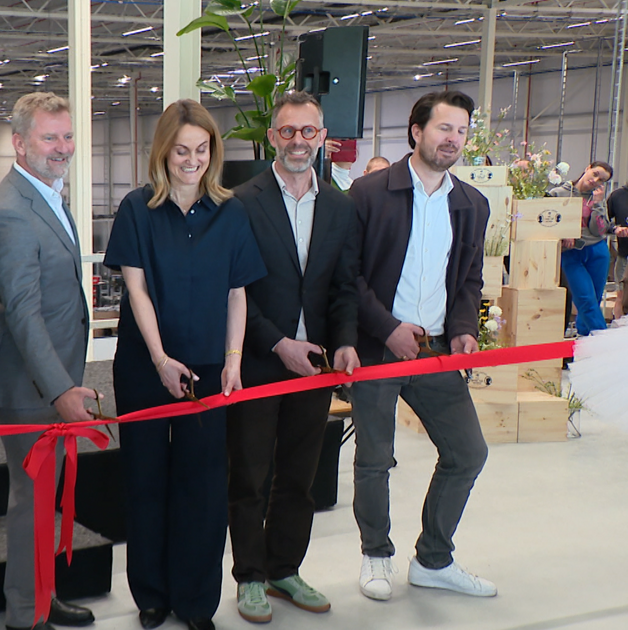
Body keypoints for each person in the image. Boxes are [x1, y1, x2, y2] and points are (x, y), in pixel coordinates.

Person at [104, 99, 266, 630]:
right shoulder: (136, 210)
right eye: (182, 150)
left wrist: (234, 361)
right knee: (146, 480)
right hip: (145, 366)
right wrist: (160, 359)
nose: (192, 160)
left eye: (202, 150)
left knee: (201, 486)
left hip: (208, 369)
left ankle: (196, 601)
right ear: (164, 152)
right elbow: (137, 290)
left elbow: (237, 295)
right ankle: (151, 595)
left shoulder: (231, 212)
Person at [348, 90, 495, 602]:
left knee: (467, 452)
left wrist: (463, 328)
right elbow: (350, 276)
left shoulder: (471, 203)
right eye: (443, 128)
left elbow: (469, 278)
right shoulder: (368, 194)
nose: (452, 139)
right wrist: (386, 327)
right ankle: (376, 556)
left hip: (434, 351)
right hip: (377, 348)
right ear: (416, 131)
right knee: (375, 459)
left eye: (460, 130)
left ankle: (434, 559)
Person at [226, 91, 360, 624]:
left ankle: (284, 568)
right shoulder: (240, 202)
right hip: (261, 361)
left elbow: (344, 286)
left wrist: (345, 340)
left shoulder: (340, 207)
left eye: (309, 132)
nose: (298, 141)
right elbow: (233, 290)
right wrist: (277, 342)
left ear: (323, 138)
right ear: (271, 138)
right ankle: (249, 577)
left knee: (300, 476)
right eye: (288, 131)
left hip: (318, 367)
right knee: (251, 476)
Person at [0, 92, 98, 630]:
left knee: (42, 500)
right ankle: (25, 615)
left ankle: (41, 598)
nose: (62, 147)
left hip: (50, 379)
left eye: (67, 136)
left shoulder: (46, 194)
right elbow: (24, 315)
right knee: (30, 503)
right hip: (30, 387)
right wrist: (60, 390)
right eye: (50, 138)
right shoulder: (10, 212)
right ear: (20, 143)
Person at [548, 161, 615, 336]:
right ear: (587, 168)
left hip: (597, 252)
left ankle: (585, 343)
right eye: (595, 174)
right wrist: (564, 232)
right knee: (585, 299)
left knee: (594, 299)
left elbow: (599, 230)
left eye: (601, 180)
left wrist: (598, 204)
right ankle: (603, 340)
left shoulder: (597, 198)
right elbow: (546, 224)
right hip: (571, 253)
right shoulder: (558, 193)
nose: (595, 180)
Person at [606, 184, 628, 318]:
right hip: (624, 255)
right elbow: (604, 221)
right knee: (621, 296)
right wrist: (615, 229)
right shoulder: (618, 196)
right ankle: (620, 330)